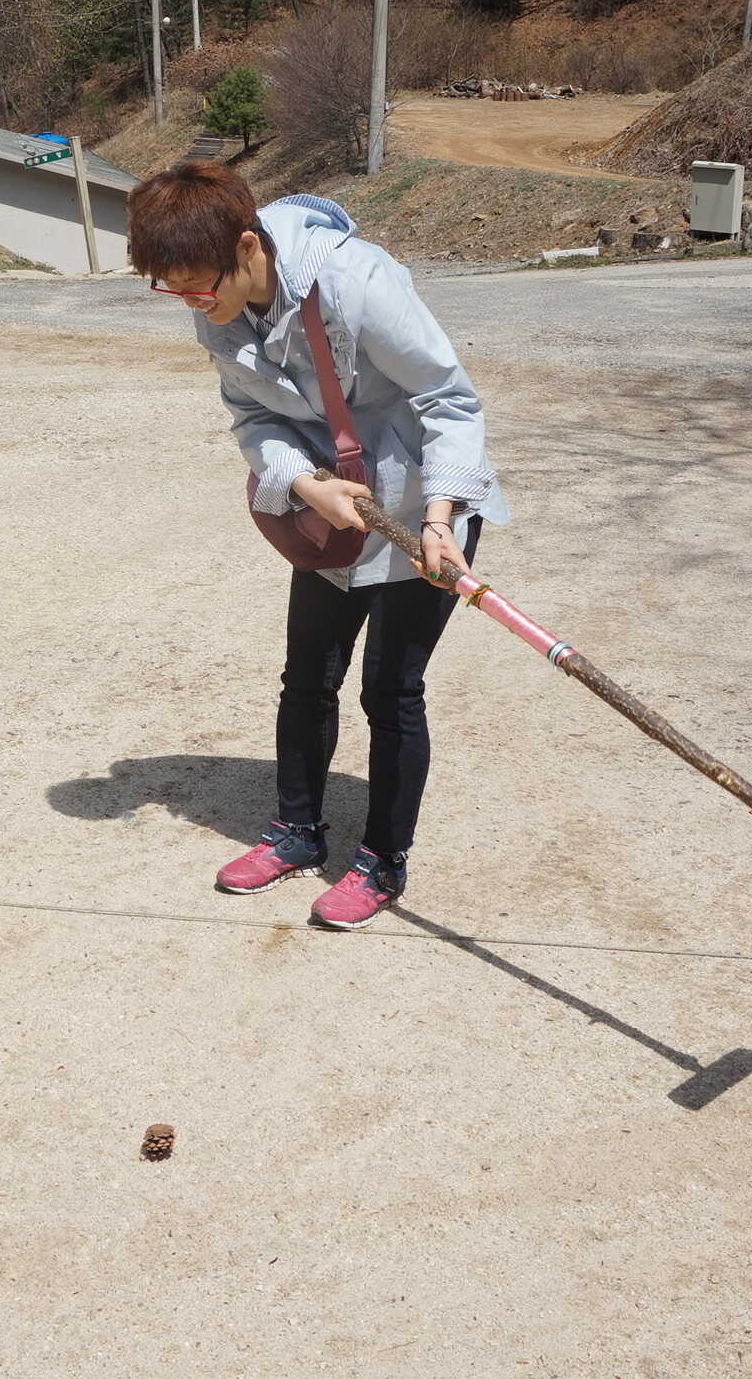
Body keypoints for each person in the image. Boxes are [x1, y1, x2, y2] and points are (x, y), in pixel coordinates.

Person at [129, 162, 507, 928]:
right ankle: (297, 830)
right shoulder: (216, 303)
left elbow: (449, 400)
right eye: (175, 289)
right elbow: (251, 419)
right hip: (332, 518)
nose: (195, 305)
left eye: (200, 284)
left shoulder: (354, 281)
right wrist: (307, 487)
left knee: (390, 691)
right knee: (307, 677)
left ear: (246, 246)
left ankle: (381, 860)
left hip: (414, 510)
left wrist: (437, 521)